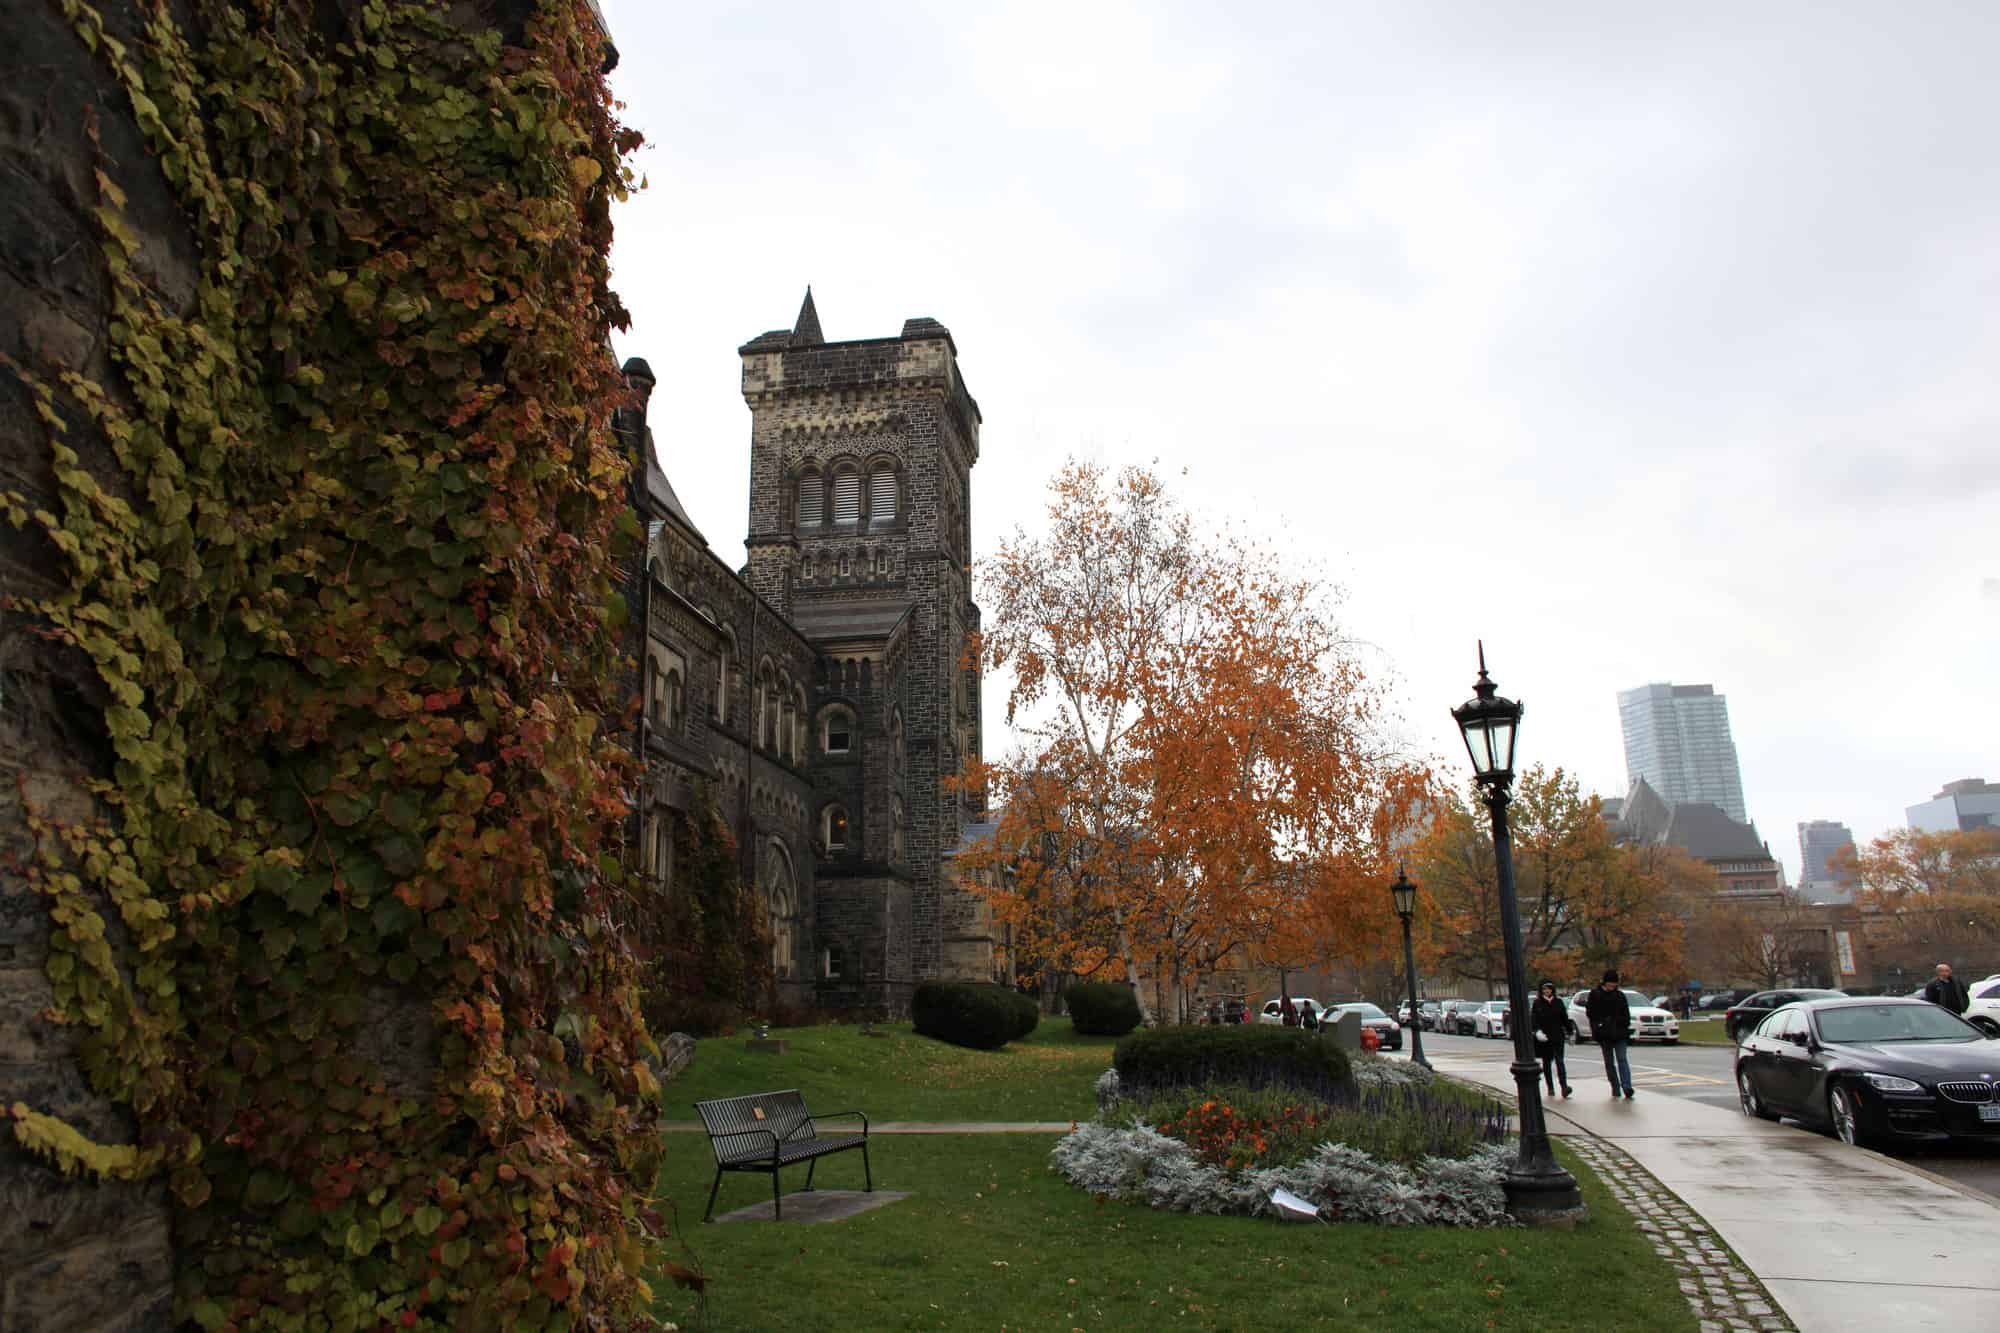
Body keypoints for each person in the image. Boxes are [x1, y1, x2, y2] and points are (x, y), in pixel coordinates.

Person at [1584, 969, 1635, 1099]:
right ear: (1605, 982)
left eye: (1614, 984)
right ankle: (1615, 1086)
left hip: (1619, 1033)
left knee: (1622, 1059)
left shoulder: (1620, 996)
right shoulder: (1595, 995)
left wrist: (1622, 1023)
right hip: (1604, 1034)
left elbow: (1626, 1014)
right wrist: (1600, 1025)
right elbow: (1590, 1013)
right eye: (1610, 983)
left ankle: (1627, 1086)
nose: (1613, 986)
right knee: (1609, 1062)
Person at [1530, 981, 1575, 1099]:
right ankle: (1550, 1087)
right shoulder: (1537, 1003)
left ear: (1552, 990)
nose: (1546, 991)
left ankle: (1564, 1086)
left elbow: (1564, 1018)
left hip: (1557, 1036)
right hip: (1544, 1038)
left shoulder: (1558, 1002)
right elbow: (1534, 1020)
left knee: (1560, 1061)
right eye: (1544, 989)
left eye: (1548, 989)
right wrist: (1537, 1031)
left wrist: (1570, 1032)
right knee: (1547, 1063)